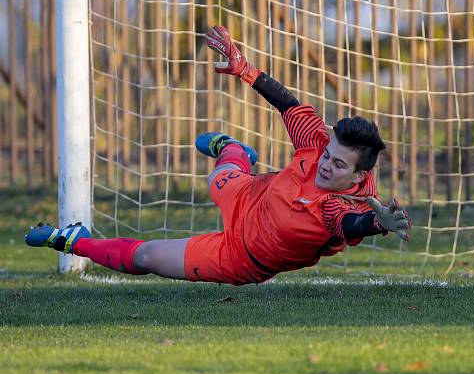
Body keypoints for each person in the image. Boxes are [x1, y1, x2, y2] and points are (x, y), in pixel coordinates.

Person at [24, 26, 411, 285]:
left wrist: (378, 225)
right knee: (217, 178)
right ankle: (234, 150)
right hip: (252, 194)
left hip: (240, 256)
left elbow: (352, 223)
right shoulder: (316, 143)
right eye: (328, 155)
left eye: (339, 164)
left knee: (147, 259)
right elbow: (288, 104)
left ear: (358, 178)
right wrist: (244, 70)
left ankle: (72, 240)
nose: (326, 164)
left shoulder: (338, 206)